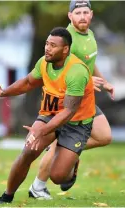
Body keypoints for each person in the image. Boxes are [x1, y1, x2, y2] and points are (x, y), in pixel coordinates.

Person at [0, 27, 96, 203]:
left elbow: (69, 111)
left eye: (53, 46)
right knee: (28, 152)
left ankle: (72, 164)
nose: (47, 48)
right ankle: (6, 196)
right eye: (47, 44)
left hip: (76, 124)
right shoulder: (43, 62)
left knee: (58, 177)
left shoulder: (76, 71)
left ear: (65, 50)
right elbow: (27, 82)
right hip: (49, 115)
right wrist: (4, 92)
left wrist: (42, 131)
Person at [28, 0, 115, 200]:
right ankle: (37, 187)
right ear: (70, 16)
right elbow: (58, 70)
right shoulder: (66, 40)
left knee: (104, 136)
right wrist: (85, 79)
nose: (82, 16)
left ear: (91, 14)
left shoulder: (89, 35)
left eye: (86, 12)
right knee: (59, 145)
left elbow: (88, 62)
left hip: (86, 99)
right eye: (78, 13)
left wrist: (103, 81)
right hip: (67, 101)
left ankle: (68, 149)